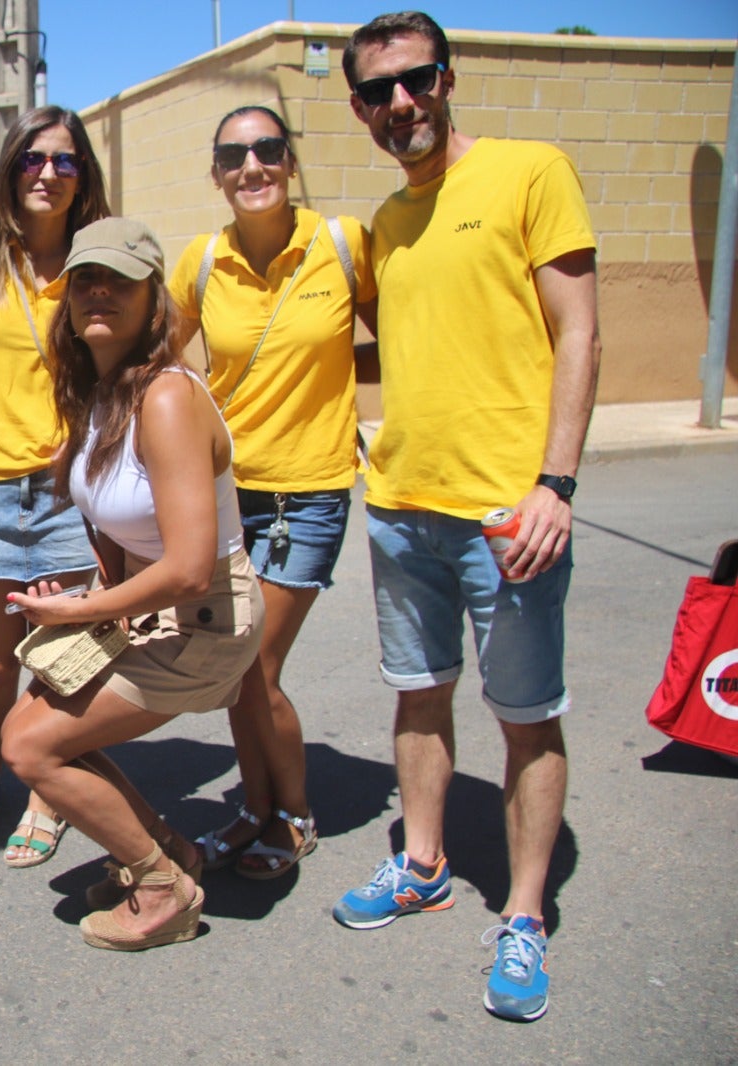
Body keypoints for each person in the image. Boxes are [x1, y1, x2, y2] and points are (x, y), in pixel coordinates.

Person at [332, 12, 601, 1023]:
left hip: (506, 513)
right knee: (418, 695)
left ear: (447, 78)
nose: (399, 104)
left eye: (415, 80)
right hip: (402, 506)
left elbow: (577, 332)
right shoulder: (385, 224)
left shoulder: (531, 171)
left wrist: (555, 484)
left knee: (526, 714)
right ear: (357, 106)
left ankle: (524, 914)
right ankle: (424, 861)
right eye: (376, 92)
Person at [0, 217, 264, 950]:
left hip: (204, 620)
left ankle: (160, 888)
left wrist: (84, 607)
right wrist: (91, 609)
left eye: (121, 280)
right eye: (86, 279)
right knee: (26, 732)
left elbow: (185, 566)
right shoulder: (100, 390)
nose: (100, 293)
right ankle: (173, 853)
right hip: (152, 611)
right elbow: (109, 520)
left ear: (155, 302)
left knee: (33, 752)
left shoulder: (168, 397)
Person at [166, 106, 378, 879]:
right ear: (216, 172)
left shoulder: (344, 246)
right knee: (230, 664)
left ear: (289, 161)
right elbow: (163, 357)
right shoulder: (201, 260)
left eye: (267, 150)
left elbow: (404, 337)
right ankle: (253, 808)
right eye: (234, 155)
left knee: (255, 665)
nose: (252, 166)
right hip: (228, 492)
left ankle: (292, 814)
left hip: (309, 492)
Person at [0, 106, 112, 869]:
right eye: (32, 160)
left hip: (68, 494)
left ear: (84, 178)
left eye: (66, 161)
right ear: (11, 171)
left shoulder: (98, 264)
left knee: (63, 653)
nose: (48, 173)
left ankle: (48, 790)